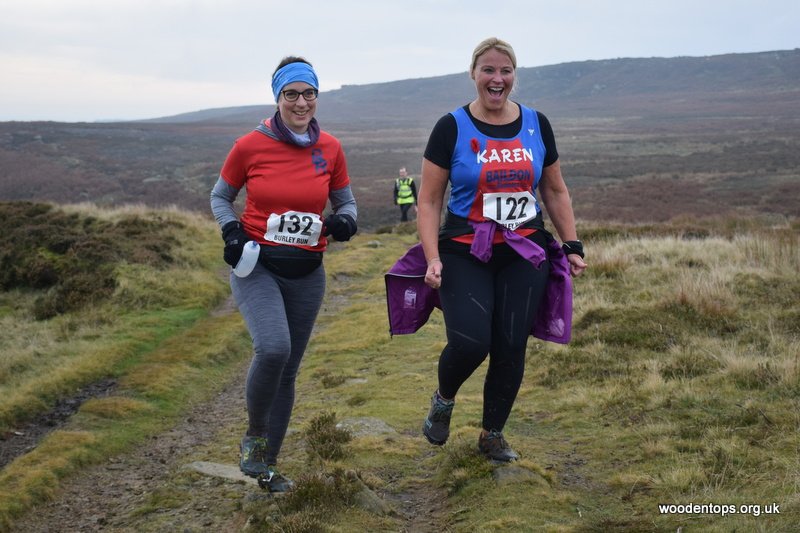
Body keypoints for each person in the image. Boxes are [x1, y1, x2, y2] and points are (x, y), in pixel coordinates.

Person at [416, 37, 587, 463]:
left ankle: (492, 434)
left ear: (514, 76)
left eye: (505, 71)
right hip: (465, 249)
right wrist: (432, 255)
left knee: (511, 344)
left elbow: (554, 188)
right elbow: (430, 200)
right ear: (473, 74)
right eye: (488, 70)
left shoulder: (536, 123)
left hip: (525, 250)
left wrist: (571, 244)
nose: (497, 79)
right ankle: (444, 399)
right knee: (472, 341)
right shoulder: (451, 127)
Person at [210, 56, 358, 491]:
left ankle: (268, 466)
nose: (300, 102)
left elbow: (345, 204)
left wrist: (344, 221)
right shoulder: (249, 146)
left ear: (317, 96)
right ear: (277, 97)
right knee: (273, 349)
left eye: (308, 93)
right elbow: (221, 197)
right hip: (258, 265)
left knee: (289, 370)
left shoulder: (330, 148)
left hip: (308, 272)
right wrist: (232, 230)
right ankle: (254, 438)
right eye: (291, 94)